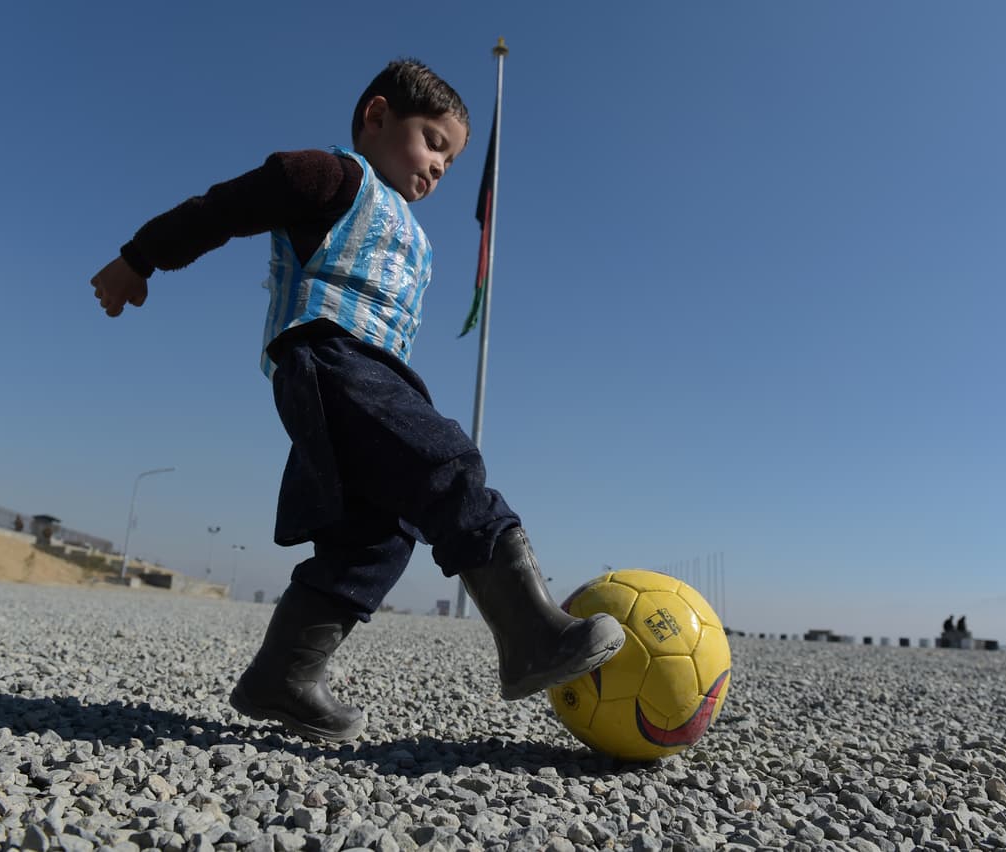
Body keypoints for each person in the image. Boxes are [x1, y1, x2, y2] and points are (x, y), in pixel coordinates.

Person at [88, 59, 624, 742]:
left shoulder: (414, 233)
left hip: (369, 375)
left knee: (376, 538)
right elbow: (224, 207)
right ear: (376, 117)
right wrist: (139, 258)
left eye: (452, 162)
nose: (437, 167)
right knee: (448, 462)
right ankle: (528, 637)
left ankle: (282, 676)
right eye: (432, 141)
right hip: (329, 358)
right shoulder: (334, 178)